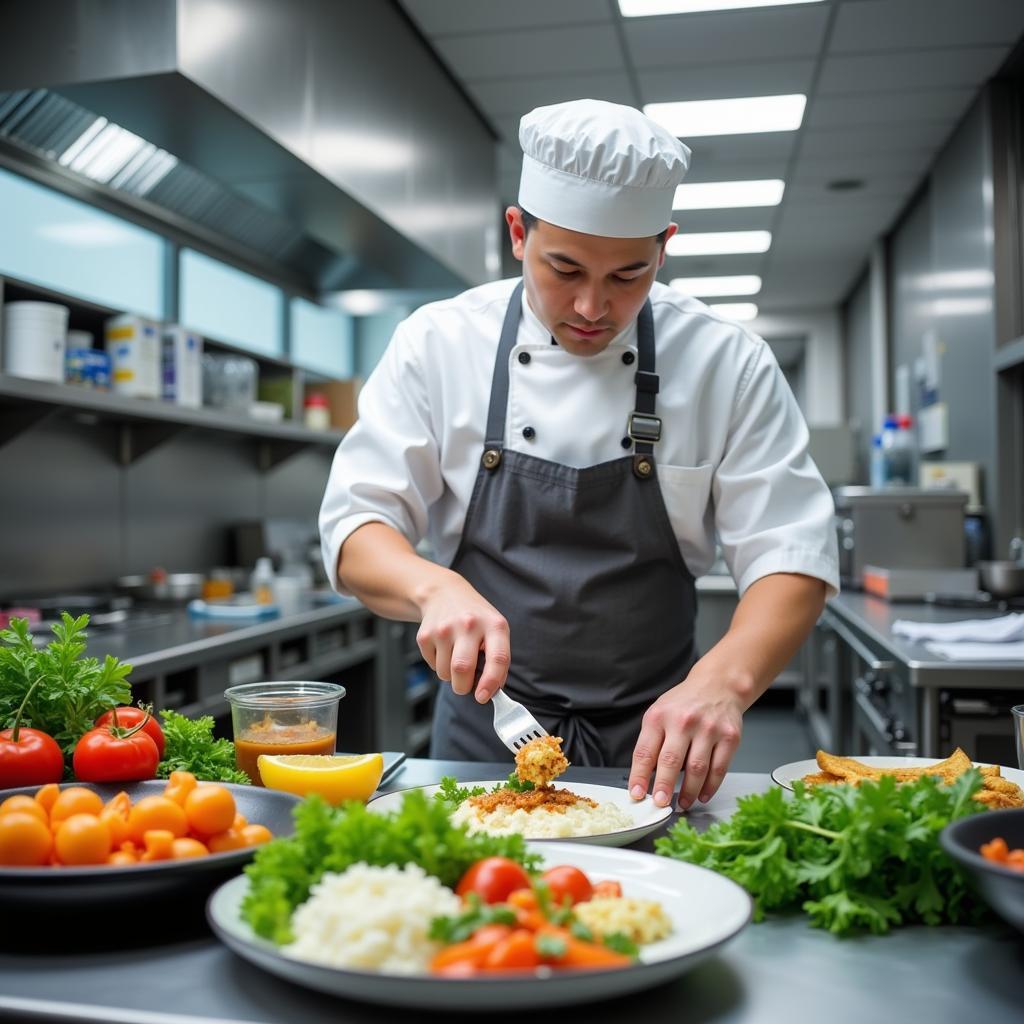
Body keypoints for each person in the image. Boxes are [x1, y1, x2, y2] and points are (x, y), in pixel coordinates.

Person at [319, 99, 839, 810]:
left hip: (662, 745)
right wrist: (432, 588)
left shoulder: (726, 361)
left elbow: (793, 554)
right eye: (563, 268)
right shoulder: (438, 344)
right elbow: (356, 528)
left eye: (629, 275)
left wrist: (724, 684)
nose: (593, 306)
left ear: (665, 246)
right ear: (516, 233)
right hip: (482, 737)